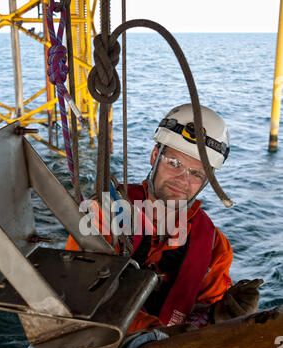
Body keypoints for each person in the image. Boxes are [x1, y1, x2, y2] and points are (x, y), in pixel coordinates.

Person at [66, 103, 263, 332]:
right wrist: (157, 334)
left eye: (197, 173)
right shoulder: (105, 212)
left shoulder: (213, 246)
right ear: (154, 156)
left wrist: (221, 316)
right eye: (174, 163)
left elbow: (206, 314)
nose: (182, 179)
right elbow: (80, 292)